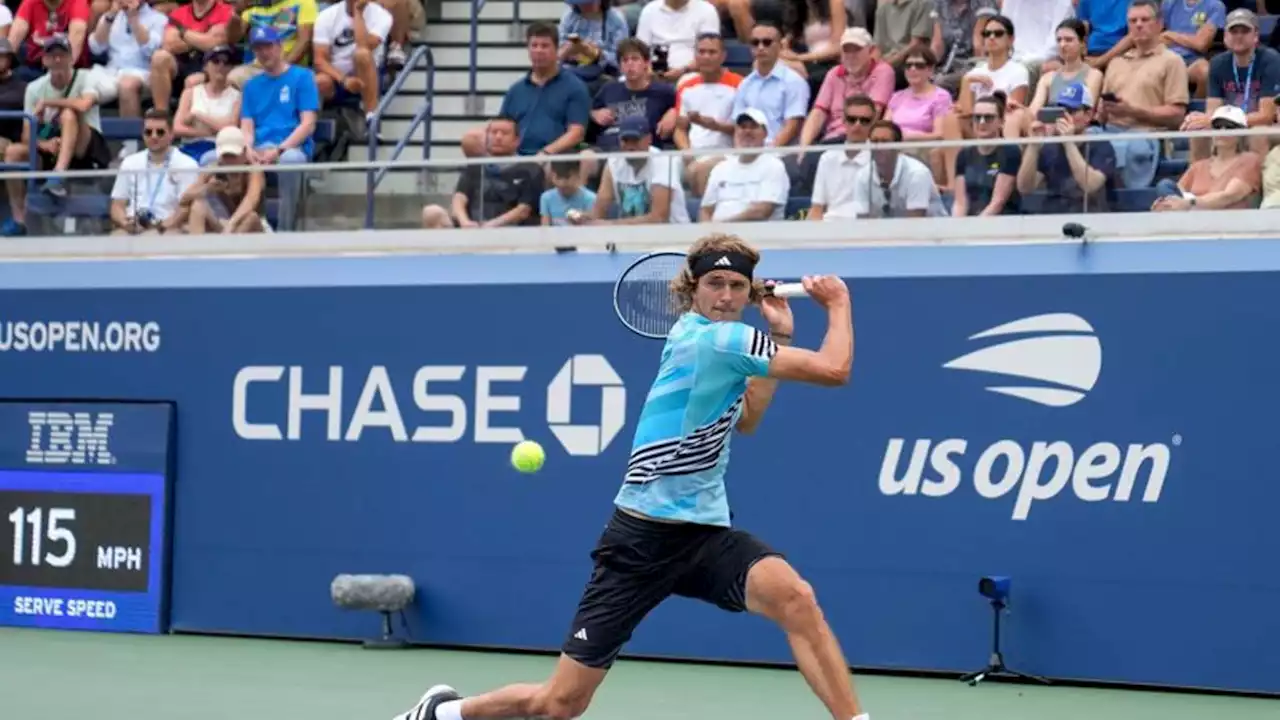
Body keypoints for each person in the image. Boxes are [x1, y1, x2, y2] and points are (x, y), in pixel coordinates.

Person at [391, 231, 869, 720]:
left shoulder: (719, 340)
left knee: (796, 600)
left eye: (736, 286)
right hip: (640, 541)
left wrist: (783, 338)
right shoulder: (717, 338)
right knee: (560, 704)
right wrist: (838, 303)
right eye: (714, 283)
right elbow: (835, 369)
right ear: (693, 289)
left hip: (704, 533)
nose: (725, 296)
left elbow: (746, 419)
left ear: (751, 292)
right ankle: (441, 714)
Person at [1, 33, 110, 236]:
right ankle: (18, 219)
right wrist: (44, 144)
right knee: (14, 152)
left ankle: (58, 175)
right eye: (52, 56)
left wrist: (49, 103)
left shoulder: (87, 77)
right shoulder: (34, 88)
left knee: (69, 113)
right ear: (44, 60)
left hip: (85, 148)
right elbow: (27, 134)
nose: (57, 60)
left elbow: (83, 104)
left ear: (71, 57)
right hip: (52, 147)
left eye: (62, 54)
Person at [239, 24, 319, 232]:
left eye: (268, 46)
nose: (264, 52)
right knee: (210, 159)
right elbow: (247, 124)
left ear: (279, 46)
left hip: (291, 147)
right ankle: (227, 230)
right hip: (259, 146)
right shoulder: (251, 85)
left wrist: (279, 149)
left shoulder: (303, 77)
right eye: (258, 48)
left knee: (290, 160)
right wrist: (247, 147)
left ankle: (285, 231)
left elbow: (308, 123)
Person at [421, 116, 546, 229]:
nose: (498, 137)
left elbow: (523, 210)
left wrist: (492, 225)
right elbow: (459, 199)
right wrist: (465, 222)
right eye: (494, 132)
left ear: (517, 140)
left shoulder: (531, 168)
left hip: (509, 231)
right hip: (471, 227)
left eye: (505, 133)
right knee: (431, 212)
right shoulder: (475, 165)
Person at [1152, 104, 1261, 211]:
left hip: (1228, 220)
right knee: (1164, 186)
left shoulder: (1249, 160)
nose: (1222, 131)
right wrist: (1164, 204)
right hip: (1193, 217)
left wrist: (1190, 203)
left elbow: (1229, 196)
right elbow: (1177, 193)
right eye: (1217, 127)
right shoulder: (1199, 166)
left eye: (1229, 127)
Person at [109, 108, 199, 234]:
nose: (154, 136)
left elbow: (185, 208)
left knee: (154, 237)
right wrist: (124, 222)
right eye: (148, 132)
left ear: (171, 134)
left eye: (160, 132)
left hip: (167, 227)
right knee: (116, 239)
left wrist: (160, 226)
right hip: (133, 225)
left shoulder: (187, 164)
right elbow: (117, 204)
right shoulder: (130, 162)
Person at [698, 108, 790, 222]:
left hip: (758, 235)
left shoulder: (774, 166)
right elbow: (706, 210)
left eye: (753, 127)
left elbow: (762, 211)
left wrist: (723, 226)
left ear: (765, 133)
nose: (747, 131)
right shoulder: (720, 168)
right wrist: (709, 234)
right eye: (742, 127)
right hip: (719, 237)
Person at [179, 126, 269, 233]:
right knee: (198, 205)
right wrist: (207, 189)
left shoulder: (254, 171)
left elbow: (251, 200)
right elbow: (184, 198)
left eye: (233, 155)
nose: (229, 160)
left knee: (251, 217)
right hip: (225, 225)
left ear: (244, 152)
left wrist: (231, 224)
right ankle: (197, 248)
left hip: (253, 226)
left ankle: (230, 246)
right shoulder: (213, 169)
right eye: (226, 155)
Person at [950, 94, 1021, 216]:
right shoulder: (964, 154)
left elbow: (997, 202)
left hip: (1003, 223)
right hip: (970, 223)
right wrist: (958, 227)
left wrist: (974, 229)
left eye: (988, 117)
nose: (982, 122)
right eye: (977, 117)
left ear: (1001, 122)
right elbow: (960, 202)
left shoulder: (1010, 151)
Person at [173, 44, 241, 164]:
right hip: (190, 147)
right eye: (215, 61)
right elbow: (177, 128)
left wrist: (198, 115)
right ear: (205, 66)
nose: (221, 66)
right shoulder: (190, 93)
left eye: (227, 63)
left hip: (219, 148)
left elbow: (230, 128)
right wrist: (205, 133)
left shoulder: (237, 96)